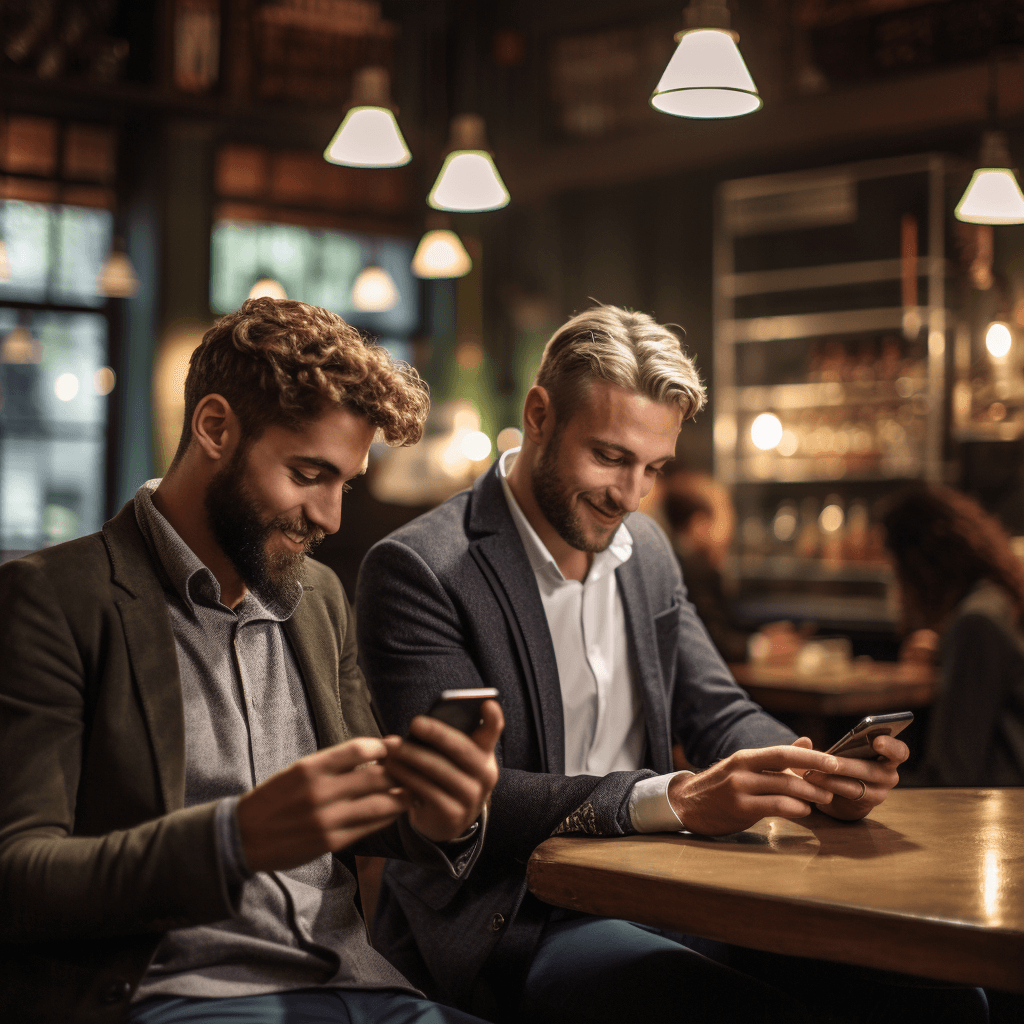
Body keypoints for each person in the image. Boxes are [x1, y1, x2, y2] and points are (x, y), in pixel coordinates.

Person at [357, 305, 983, 1023]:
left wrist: (817, 772)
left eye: (653, 467)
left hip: (666, 887)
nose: (630, 495)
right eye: (611, 457)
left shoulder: (647, 552)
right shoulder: (421, 569)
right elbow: (463, 804)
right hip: (516, 914)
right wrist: (670, 800)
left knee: (946, 1000)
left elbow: (719, 711)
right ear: (539, 415)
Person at [0, 298, 503, 1024]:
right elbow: (18, 876)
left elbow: (359, 809)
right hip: (172, 997)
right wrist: (232, 840)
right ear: (214, 428)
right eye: (307, 474)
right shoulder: (52, 599)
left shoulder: (321, 596)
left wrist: (436, 817)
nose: (329, 516)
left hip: (362, 987)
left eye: (345, 483)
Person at [883, 485, 1024, 787]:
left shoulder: (976, 621)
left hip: (992, 809)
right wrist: (945, 654)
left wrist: (869, 785)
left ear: (920, 563)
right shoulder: (995, 601)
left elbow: (952, 773)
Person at [661, 470, 803, 664]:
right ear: (699, 524)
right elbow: (711, 641)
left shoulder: (682, 562)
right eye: (725, 509)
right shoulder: (693, 570)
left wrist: (762, 634)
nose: (732, 520)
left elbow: (723, 624)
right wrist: (763, 648)